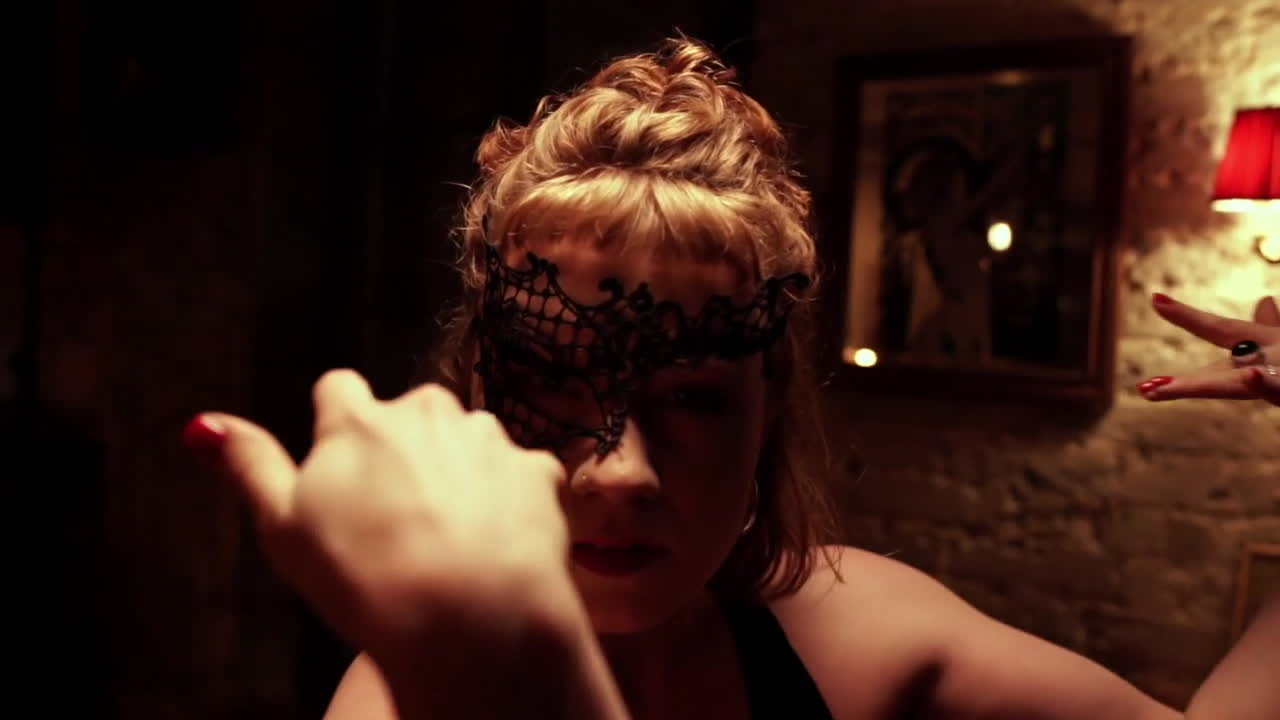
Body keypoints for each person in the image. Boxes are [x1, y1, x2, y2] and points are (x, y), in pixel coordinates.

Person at [183, 37, 1280, 720]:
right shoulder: (404, 698)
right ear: (479, 399)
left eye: (693, 399)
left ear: (765, 419)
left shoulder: (850, 634)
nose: (618, 472)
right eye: (554, 383)